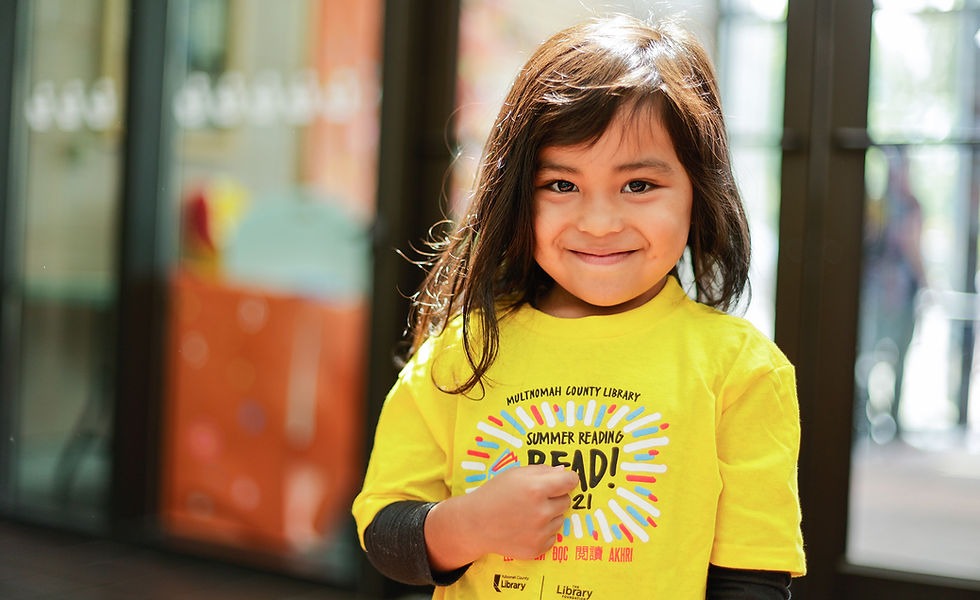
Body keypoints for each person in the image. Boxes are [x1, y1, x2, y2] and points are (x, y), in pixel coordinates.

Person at [352, 14, 806, 599]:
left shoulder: (741, 370)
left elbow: (751, 581)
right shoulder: (463, 351)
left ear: (700, 191)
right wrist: (470, 524)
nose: (598, 222)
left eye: (638, 185)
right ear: (519, 196)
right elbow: (384, 531)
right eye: (562, 185)